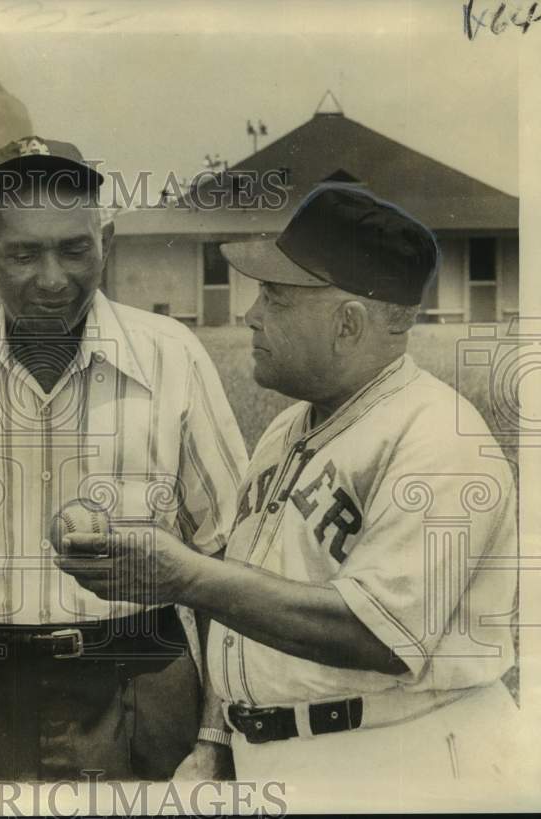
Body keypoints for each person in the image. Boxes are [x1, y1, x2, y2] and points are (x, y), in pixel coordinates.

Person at [59, 183, 520, 786]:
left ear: (347, 324)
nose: (251, 314)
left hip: (407, 763)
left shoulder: (439, 440)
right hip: (288, 759)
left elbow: (376, 634)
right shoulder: (287, 427)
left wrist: (187, 576)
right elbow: (247, 594)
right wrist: (215, 738)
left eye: (274, 297)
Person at [0, 136, 248, 781]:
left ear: (105, 242)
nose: (53, 279)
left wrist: (216, 729)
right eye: (24, 254)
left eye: (75, 249)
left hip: (143, 676)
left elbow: (234, 558)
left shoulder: (172, 356)